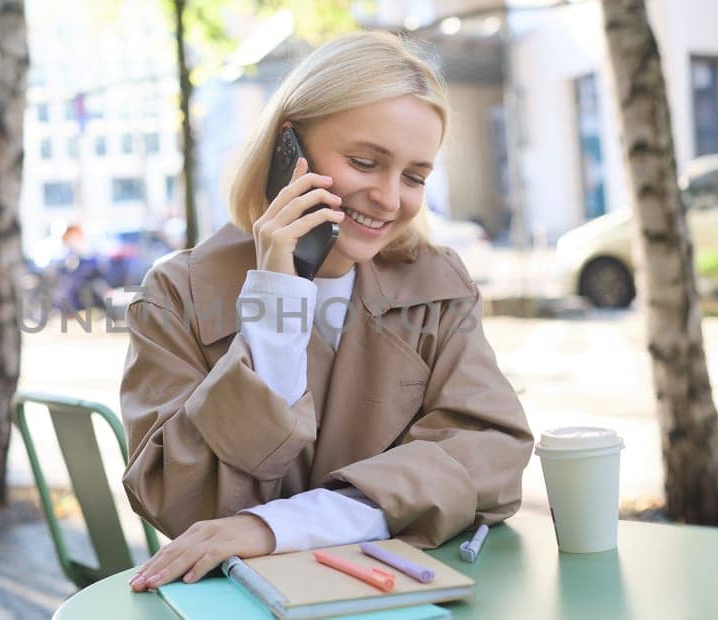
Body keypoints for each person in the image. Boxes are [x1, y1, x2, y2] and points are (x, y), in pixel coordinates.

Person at [120, 32, 534, 592]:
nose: (390, 198)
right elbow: (178, 495)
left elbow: (489, 456)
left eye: (415, 177)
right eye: (366, 162)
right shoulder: (176, 293)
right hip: (238, 600)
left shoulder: (437, 284)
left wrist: (278, 526)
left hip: (398, 594)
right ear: (289, 149)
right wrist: (276, 302)